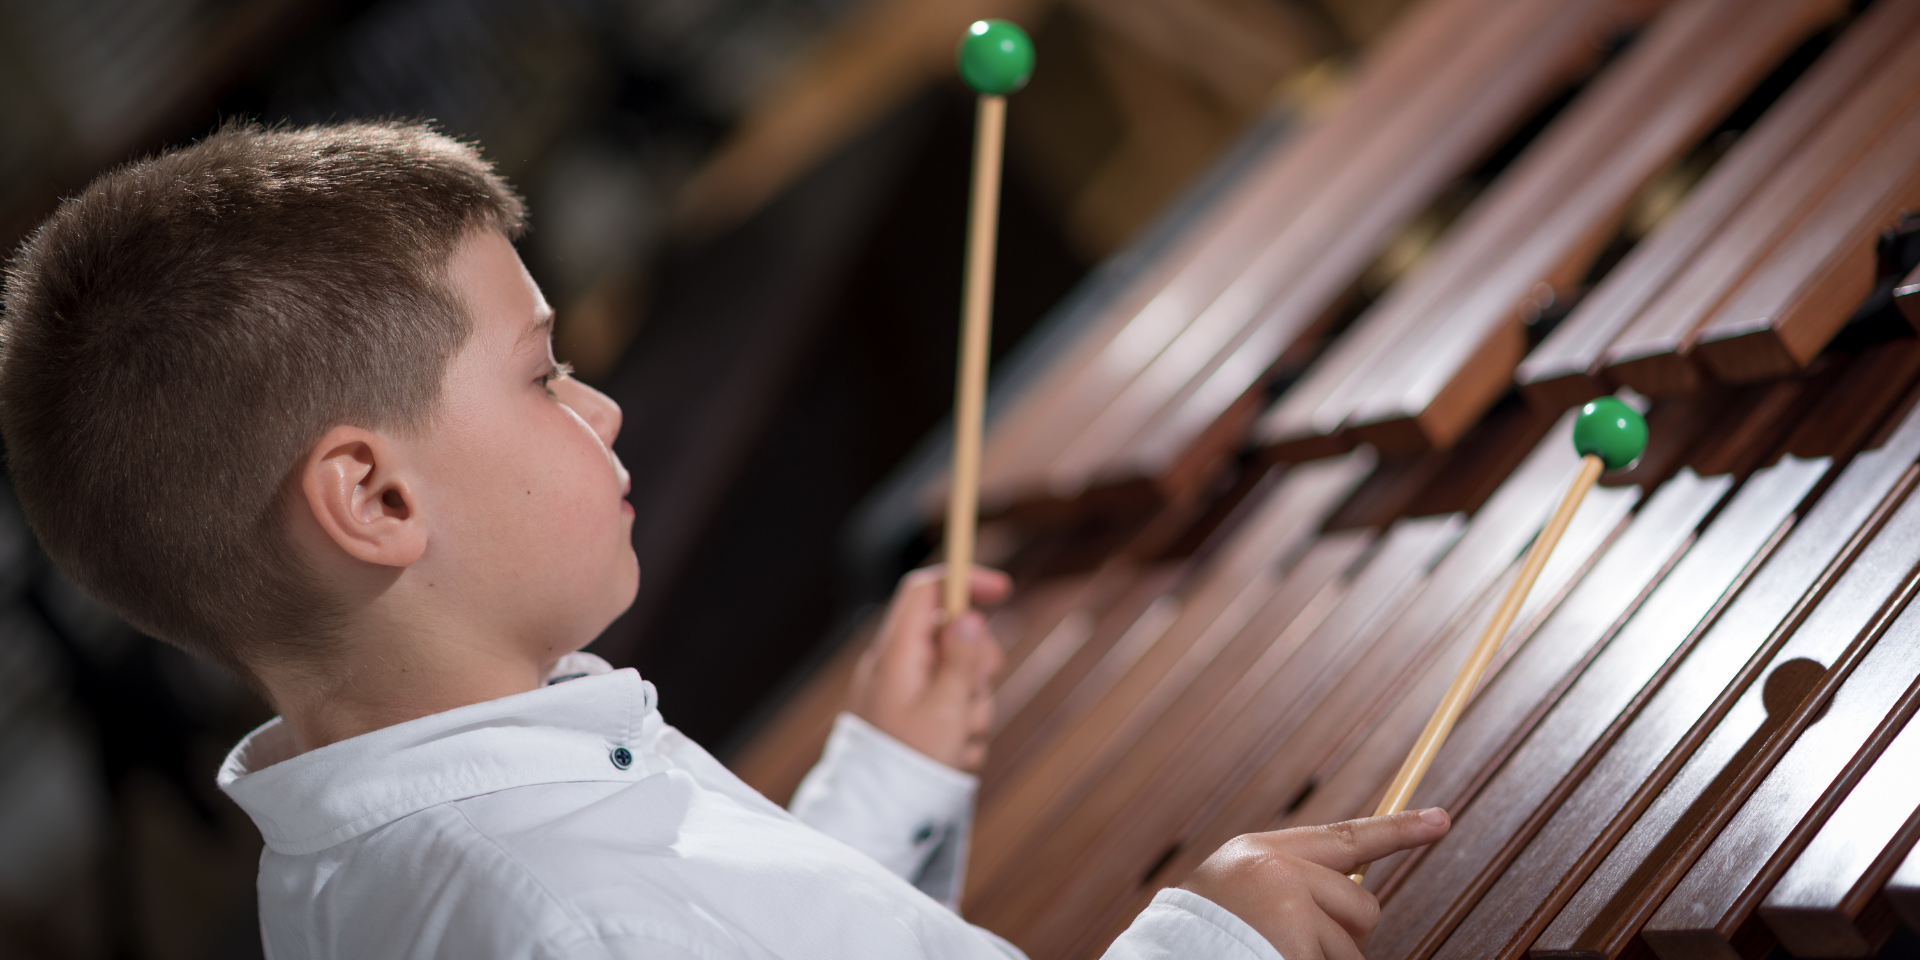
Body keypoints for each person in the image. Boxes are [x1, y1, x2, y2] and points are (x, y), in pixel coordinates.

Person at [0, 121, 1448, 960]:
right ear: (377, 501)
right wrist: (1214, 936)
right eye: (544, 371)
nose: (609, 406)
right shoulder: (562, 912)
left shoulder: (392, 849)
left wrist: (886, 785)